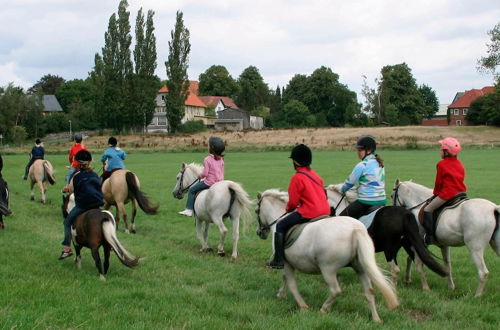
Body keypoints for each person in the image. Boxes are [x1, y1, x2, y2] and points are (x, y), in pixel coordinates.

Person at [266, 144, 330, 269]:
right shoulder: (316, 176)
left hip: (310, 212)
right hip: (325, 210)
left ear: (295, 161)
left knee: (280, 225)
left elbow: (293, 203)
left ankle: (278, 261)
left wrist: (288, 209)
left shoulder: (297, 178)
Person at [59, 149, 104, 260]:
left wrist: (67, 189)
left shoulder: (76, 176)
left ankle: (67, 249)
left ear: (78, 163)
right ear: (90, 162)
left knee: (67, 222)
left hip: (83, 205)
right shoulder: (95, 175)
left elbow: (71, 191)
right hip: (97, 204)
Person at [423, 137, 466, 245]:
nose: (440, 151)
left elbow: (439, 183)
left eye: (441, 149)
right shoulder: (460, 163)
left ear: (446, 152)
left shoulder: (441, 164)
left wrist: (435, 194)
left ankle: (430, 236)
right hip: (461, 193)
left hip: (448, 194)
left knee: (428, 209)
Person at [339, 135, 386, 219]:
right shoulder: (380, 164)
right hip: (382, 201)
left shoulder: (362, 165)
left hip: (366, 202)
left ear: (369, 150)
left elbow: (349, 183)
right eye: (358, 150)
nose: (358, 152)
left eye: (360, 150)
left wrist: (341, 190)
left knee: (341, 218)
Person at [178, 136, 225, 217]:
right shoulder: (221, 159)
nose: (208, 146)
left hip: (209, 183)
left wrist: (200, 176)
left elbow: (205, 174)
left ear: (212, 148)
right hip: (220, 182)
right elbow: (222, 173)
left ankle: (189, 210)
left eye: (208, 145)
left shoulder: (207, 159)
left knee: (192, 190)